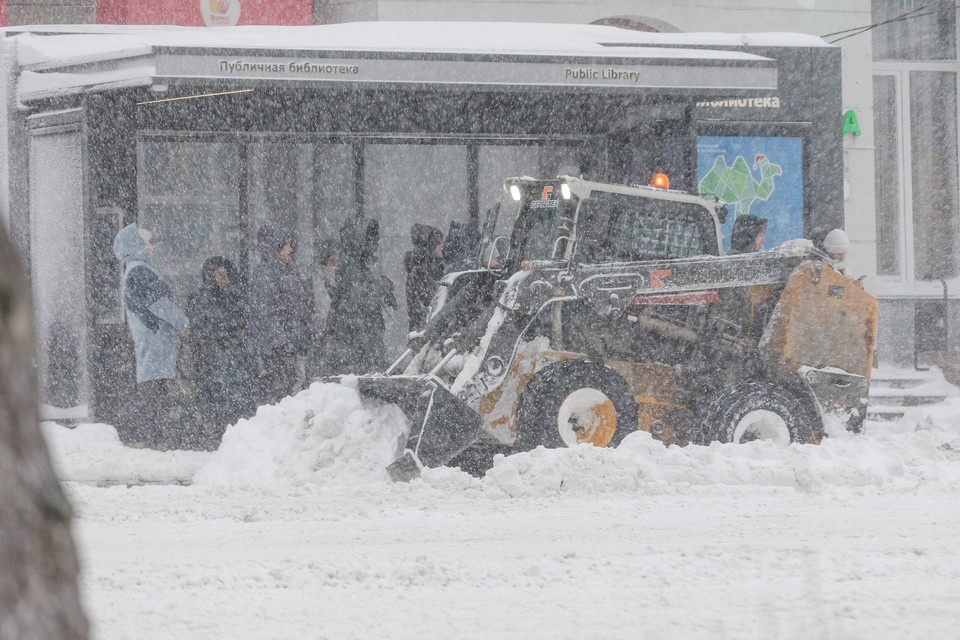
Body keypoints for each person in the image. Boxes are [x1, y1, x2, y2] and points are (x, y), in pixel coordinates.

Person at [112, 223, 189, 448]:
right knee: (154, 390)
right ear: (139, 245)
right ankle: (151, 437)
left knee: (153, 388)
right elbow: (160, 304)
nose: (154, 247)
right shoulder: (140, 270)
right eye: (150, 242)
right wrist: (183, 322)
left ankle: (152, 436)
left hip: (153, 338)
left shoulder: (136, 269)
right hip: (155, 338)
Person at [185, 256, 258, 448]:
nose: (223, 277)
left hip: (234, 360)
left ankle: (232, 437)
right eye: (218, 274)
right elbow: (200, 328)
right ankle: (215, 438)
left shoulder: (234, 297)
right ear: (210, 276)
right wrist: (226, 333)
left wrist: (239, 332)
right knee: (215, 402)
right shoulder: (201, 299)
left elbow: (247, 320)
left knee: (236, 401)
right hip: (212, 360)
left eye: (225, 274)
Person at [321, 218, 396, 374]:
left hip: (360, 335)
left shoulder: (358, 264)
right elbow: (360, 297)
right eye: (370, 240)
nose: (374, 245)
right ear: (360, 241)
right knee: (361, 373)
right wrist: (382, 286)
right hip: (356, 337)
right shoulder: (351, 266)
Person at [249, 224, 312, 406]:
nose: (291, 249)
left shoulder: (287, 273)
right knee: (282, 396)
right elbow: (264, 314)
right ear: (275, 248)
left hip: (290, 348)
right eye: (286, 245)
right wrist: (282, 343)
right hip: (279, 352)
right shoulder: (266, 276)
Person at [404, 224, 444, 332]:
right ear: (432, 245)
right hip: (424, 325)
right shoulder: (420, 269)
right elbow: (423, 299)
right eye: (439, 243)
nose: (442, 246)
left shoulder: (428, 266)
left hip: (422, 323)